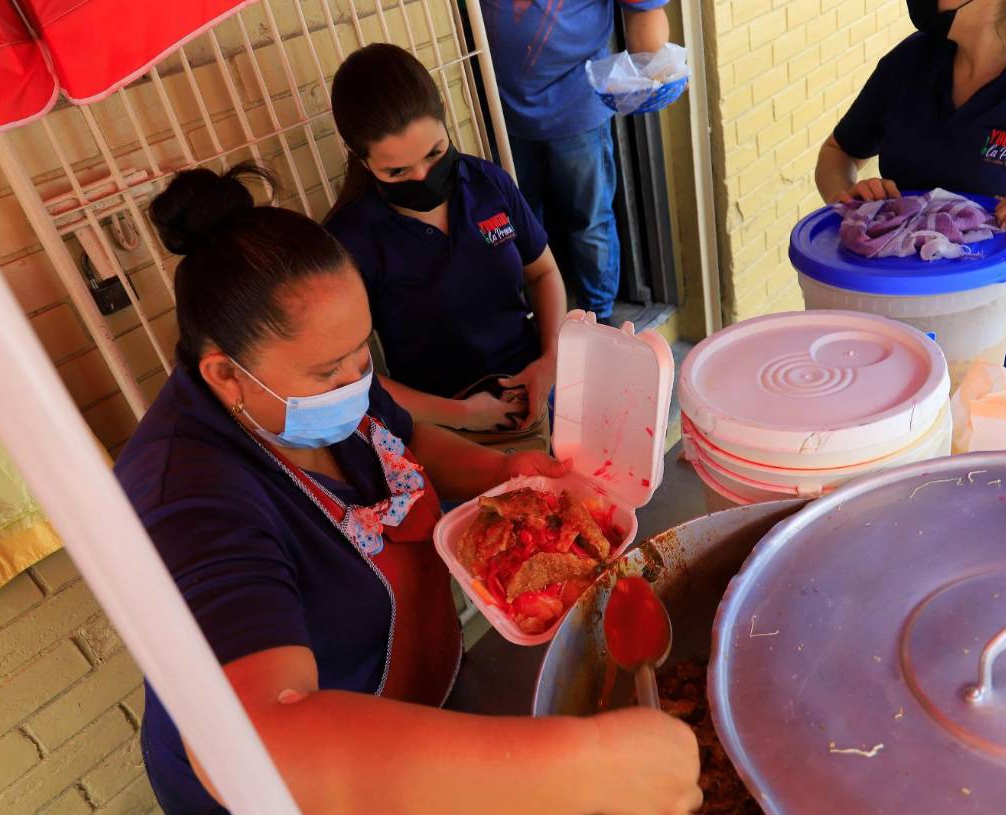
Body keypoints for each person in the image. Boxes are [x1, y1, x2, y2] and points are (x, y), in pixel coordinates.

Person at [115, 163, 701, 814]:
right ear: (225, 374)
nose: (356, 380)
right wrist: (578, 768)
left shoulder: (313, 389)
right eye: (329, 370)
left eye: (362, 355)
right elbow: (255, 740)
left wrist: (504, 474)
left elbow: (405, 442)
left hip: (415, 716)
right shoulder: (185, 495)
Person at [815, 0, 1006, 384]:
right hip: (890, 326)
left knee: (997, 443)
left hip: (999, 336)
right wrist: (850, 201)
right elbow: (837, 152)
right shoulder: (911, 62)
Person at [326, 44, 564, 451]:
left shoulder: (488, 183)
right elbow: (350, 371)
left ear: (445, 123)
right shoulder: (350, 241)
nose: (423, 176)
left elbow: (543, 272)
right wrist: (463, 415)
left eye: (435, 153)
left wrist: (551, 360)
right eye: (396, 171)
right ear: (362, 162)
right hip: (441, 421)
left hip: (538, 388)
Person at [479, 0, 670, 325]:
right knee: (516, 221)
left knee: (589, 220)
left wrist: (658, 73)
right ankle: (533, 314)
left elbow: (646, 10)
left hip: (578, 105)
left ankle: (599, 317)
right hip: (499, 108)